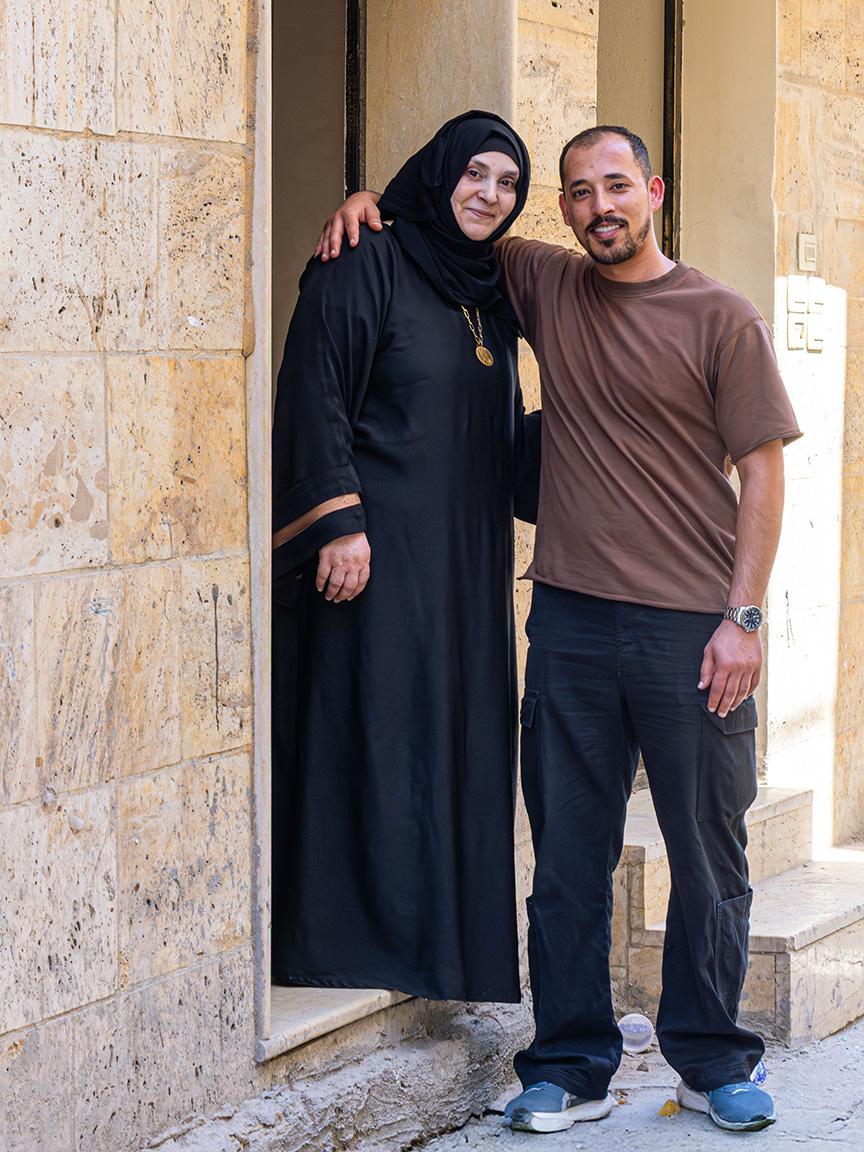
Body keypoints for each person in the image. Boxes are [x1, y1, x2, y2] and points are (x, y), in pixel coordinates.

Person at [317, 124, 801, 1133]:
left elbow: (763, 468)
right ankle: (571, 1063)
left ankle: (711, 1059)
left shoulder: (721, 316)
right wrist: (369, 203)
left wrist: (742, 617)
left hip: (691, 629)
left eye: (615, 186)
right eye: (578, 193)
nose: (598, 207)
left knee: (707, 856)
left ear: (654, 191)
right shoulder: (543, 282)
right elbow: (447, 219)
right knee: (569, 864)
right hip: (572, 623)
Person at [271, 111, 539, 1004]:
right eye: (476, 175)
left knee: (451, 746)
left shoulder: (492, 291)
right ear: (440, 172)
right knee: (375, 734)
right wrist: (337, 521)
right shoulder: (366, 260)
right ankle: (352, 946)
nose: (489, 197)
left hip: (463, 567)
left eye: (507, 184)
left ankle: (438, 952)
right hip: (374, 564)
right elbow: (313, 386)